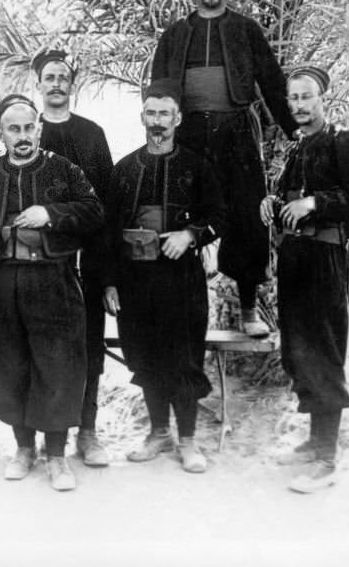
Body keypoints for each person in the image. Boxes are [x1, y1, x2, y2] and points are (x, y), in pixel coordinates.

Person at [0, 95, 104, 492]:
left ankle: (56, 455)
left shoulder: (63, 170)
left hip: (54, 281)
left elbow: (95, 211)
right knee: (11, 366)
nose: (22, 137)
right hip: (3, 282)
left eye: (28, 128)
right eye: (13, 129)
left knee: (55, 368)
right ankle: (24, 448)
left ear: (39, 128)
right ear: (1, 133)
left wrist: (51, 214)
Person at [151, 0, 297, 337]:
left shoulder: (246, 30)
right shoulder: (175, 35)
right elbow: (158, 91)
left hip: (237, 132)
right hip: (189, 135)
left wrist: (295, 131)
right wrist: (158, 136)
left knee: (249, 216)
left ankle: (248, 309)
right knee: (179, 214)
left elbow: (272, 82)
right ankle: (179, 309)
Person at [259, 67, 349, 493]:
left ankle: (327, 458)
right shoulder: (298, 149)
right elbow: (290, 198)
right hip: (294, 258)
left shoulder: (342, 143)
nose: (299, 105)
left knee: (323, 350)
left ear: (321, 98)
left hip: (326, 256)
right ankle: (313, 442)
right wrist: (272, 203)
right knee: (298, 349)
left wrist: (315, 202)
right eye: (292, 99)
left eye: (306, 97)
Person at [100, 79, 226, 474]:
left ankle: (187, 440)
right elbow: (105, 231)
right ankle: (158, 433)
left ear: (178, 118)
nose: (158, 122)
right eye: (151, 113)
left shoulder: (197, 166)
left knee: (184, 358)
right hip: (136, 282)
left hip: (182, 281)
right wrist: (109, 281)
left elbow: (220, 216)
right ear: (142, 116)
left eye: (165, 114)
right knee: (146, 357)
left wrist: (191, 235)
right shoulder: (124, 170)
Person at [32, 48, 113, 467]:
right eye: (50, 77)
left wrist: (109, 273)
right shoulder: (28, 131)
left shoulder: (92, 133)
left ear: (72, 84)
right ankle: (51, 434)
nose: (57, 83)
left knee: (89, 346)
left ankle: (88, 431)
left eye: (64, 76)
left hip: (89, 262)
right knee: (48, 348)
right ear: (39, 84)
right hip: (42, 262)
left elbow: (107, 205)